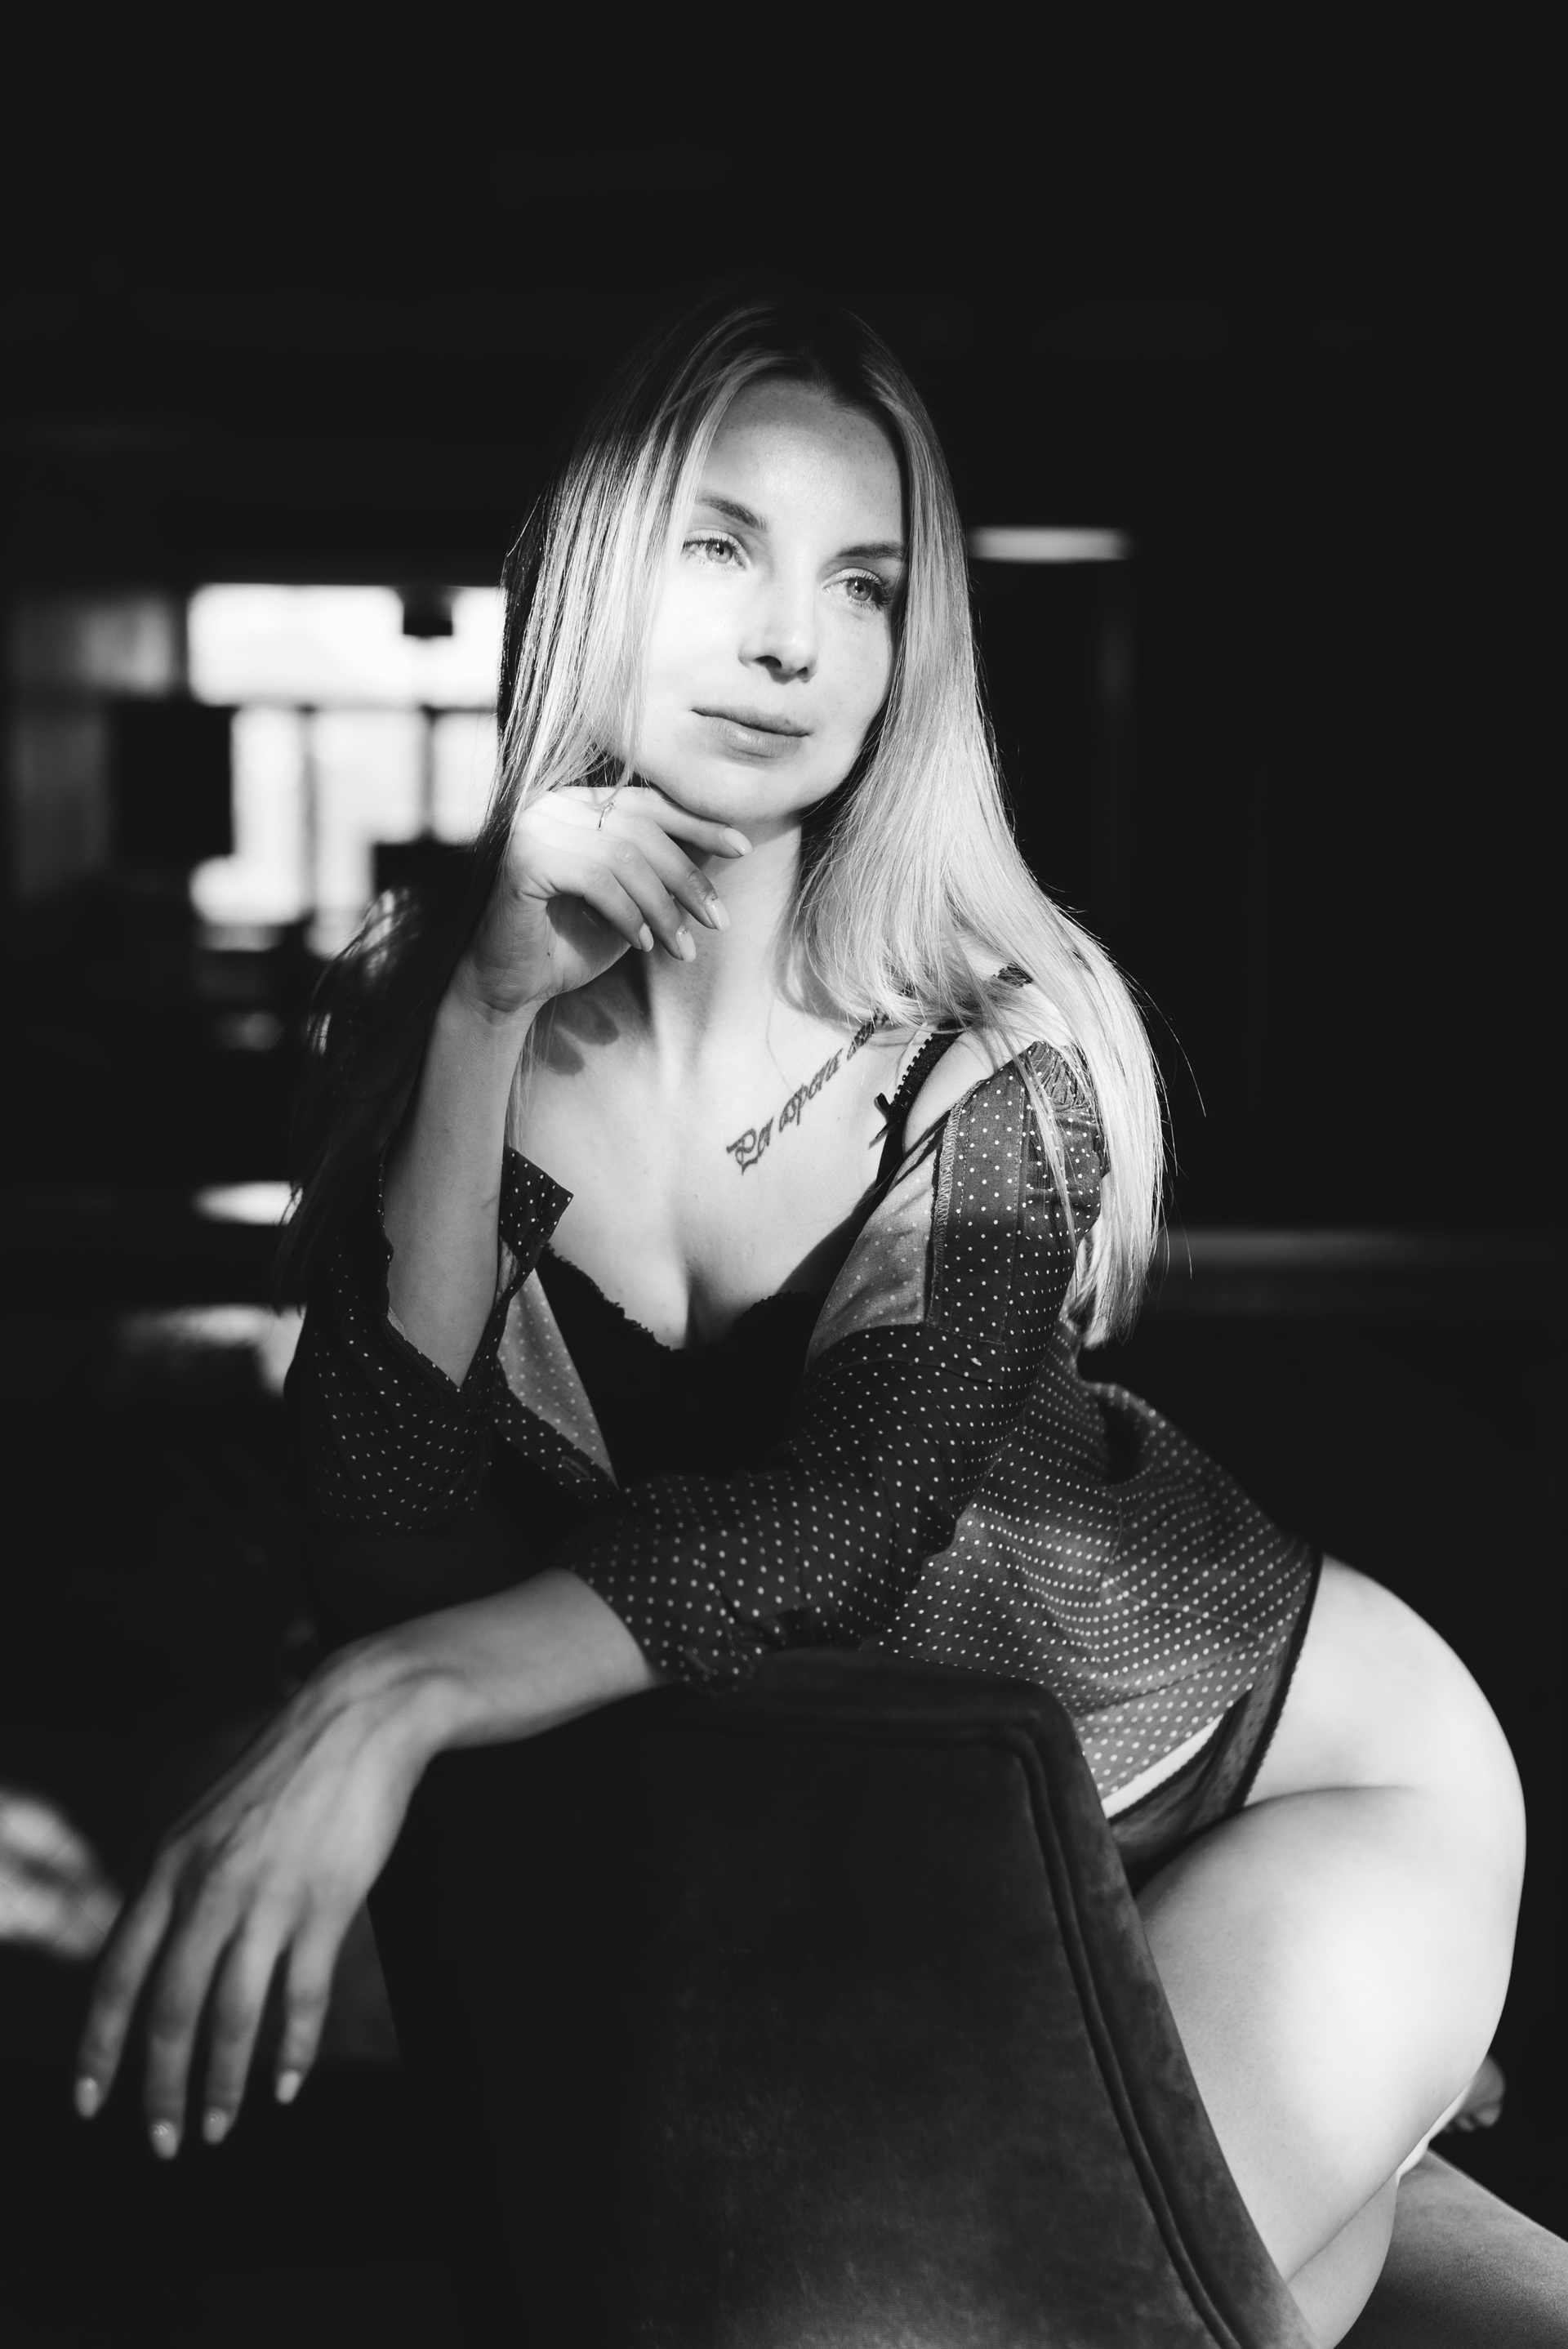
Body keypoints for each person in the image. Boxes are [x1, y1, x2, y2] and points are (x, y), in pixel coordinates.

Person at [75, 292, 1521, 2343]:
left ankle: (1375, 2051)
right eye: (723, 548)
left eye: (864, 584)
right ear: (598, 577)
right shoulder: (433, 1007)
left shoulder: (996, 1054)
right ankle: (1371, 2148)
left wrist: (382, 1704)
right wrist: (481, 1016)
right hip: (924, 1884)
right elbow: (382, 1510)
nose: (791, 642)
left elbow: (834, 1524)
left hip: (1291, 1783)